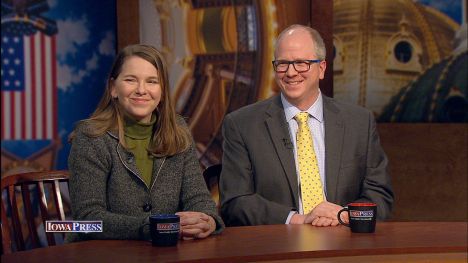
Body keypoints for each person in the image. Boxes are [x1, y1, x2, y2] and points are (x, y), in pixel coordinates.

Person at [219, 24, 394, 226]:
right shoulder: (242, 125)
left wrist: (343, 216)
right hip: (277, 247)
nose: (291, 73)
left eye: (301, 63)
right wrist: (298, 220)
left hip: (344, 242)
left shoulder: (359, 122)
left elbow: (379, 193)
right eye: (283, 64)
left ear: (321, 69)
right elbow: (235, 201)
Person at [67, 44, 224, 242]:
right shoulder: (91, 137)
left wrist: (208, 220)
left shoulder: (178, 130)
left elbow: (198, 197)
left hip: (166, 254)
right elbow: (88, 220)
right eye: (131, 80)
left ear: (162, 91)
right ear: (113, 88)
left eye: (152, 81)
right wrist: (153, 226)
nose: (142, 90)